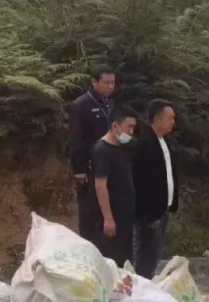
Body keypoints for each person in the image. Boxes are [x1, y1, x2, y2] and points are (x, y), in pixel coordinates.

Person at [132, 99, 179, 279]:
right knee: (146, 254)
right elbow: (143, 182)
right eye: (170, 118)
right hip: (150, 212)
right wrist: (150, 214)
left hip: (164, 207)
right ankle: (140, 289)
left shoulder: (165, 142)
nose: (173, 122)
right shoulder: (144, 143)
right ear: (158, 119)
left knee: (155, 254)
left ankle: (147, 285)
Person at [68, 66, 116, 239]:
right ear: (94, 82)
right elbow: (75, 138)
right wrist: (79, 170)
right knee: (90, 211)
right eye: (106, 82)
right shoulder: (81, 105)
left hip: (109, 164)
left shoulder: (110, 104)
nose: (110, 86)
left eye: (113, 83)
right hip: (89, 167)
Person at [91, 107, 138, 266]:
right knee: (112, 260)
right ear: (115, 126)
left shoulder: (123, 148)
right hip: (112, 215)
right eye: (129, 127)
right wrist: (108, 218)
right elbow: (100, 185)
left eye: (133, 127)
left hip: (126, 215)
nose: (131, 132)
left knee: (126, 260)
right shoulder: (101, 150)